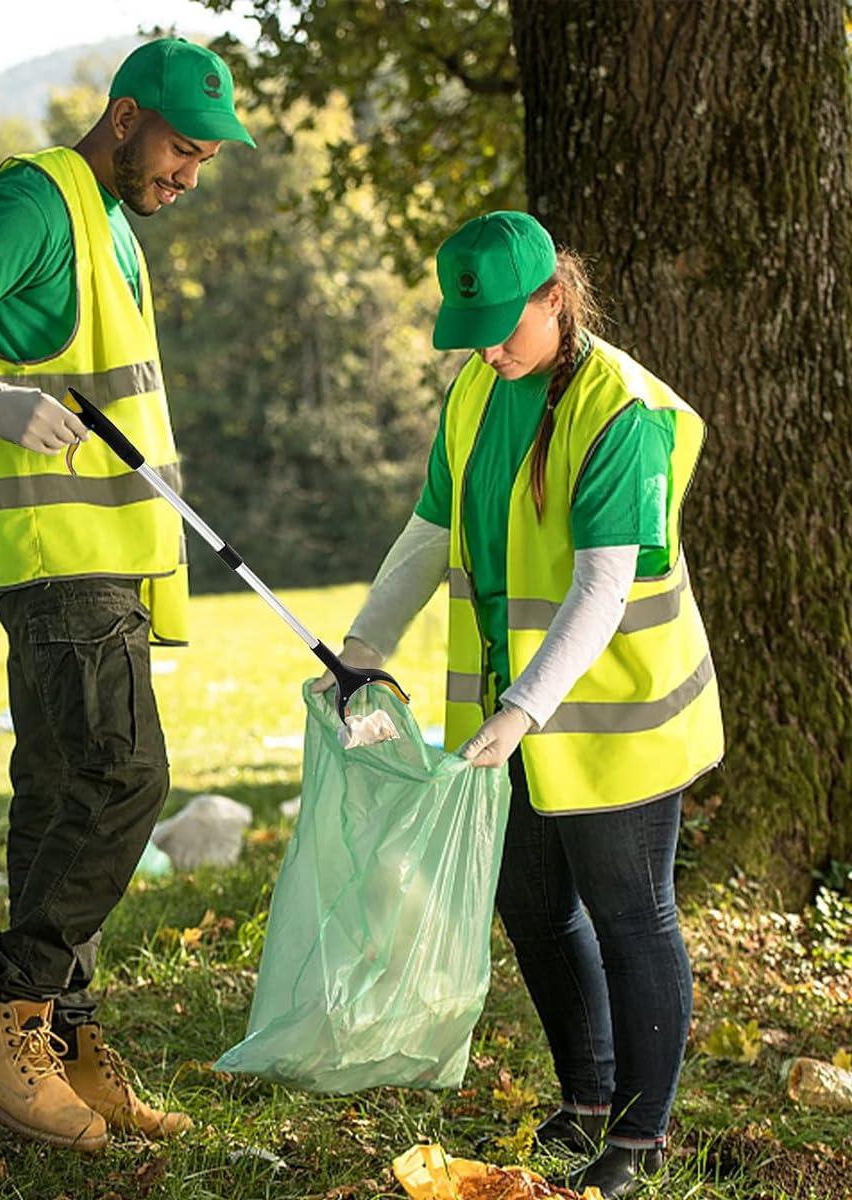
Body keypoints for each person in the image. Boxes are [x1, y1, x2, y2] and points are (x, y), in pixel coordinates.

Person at [0, 37, 255, 1151]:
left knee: (60, 792)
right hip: (56, 555)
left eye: (206, 158)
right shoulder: (40, 202)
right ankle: (7, 1020)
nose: (190, 173)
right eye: (181, 147)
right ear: (124, 118)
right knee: (125, 779)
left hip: (97, 557)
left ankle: (63, 1042)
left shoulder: (113, 223)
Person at [314, 211, 723, 1198]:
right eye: (474, 334)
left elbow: (603, 586)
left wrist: (524, 709)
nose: (490, 351)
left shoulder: (617, 410)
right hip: (518, 714)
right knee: (531, 903)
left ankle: (640, 1137)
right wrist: (364, 647)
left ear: (555, 297)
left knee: (631, 913)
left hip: (615, 712)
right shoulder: (475, 391)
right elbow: (431, 528)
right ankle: (587, 1100)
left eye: (504, 328)